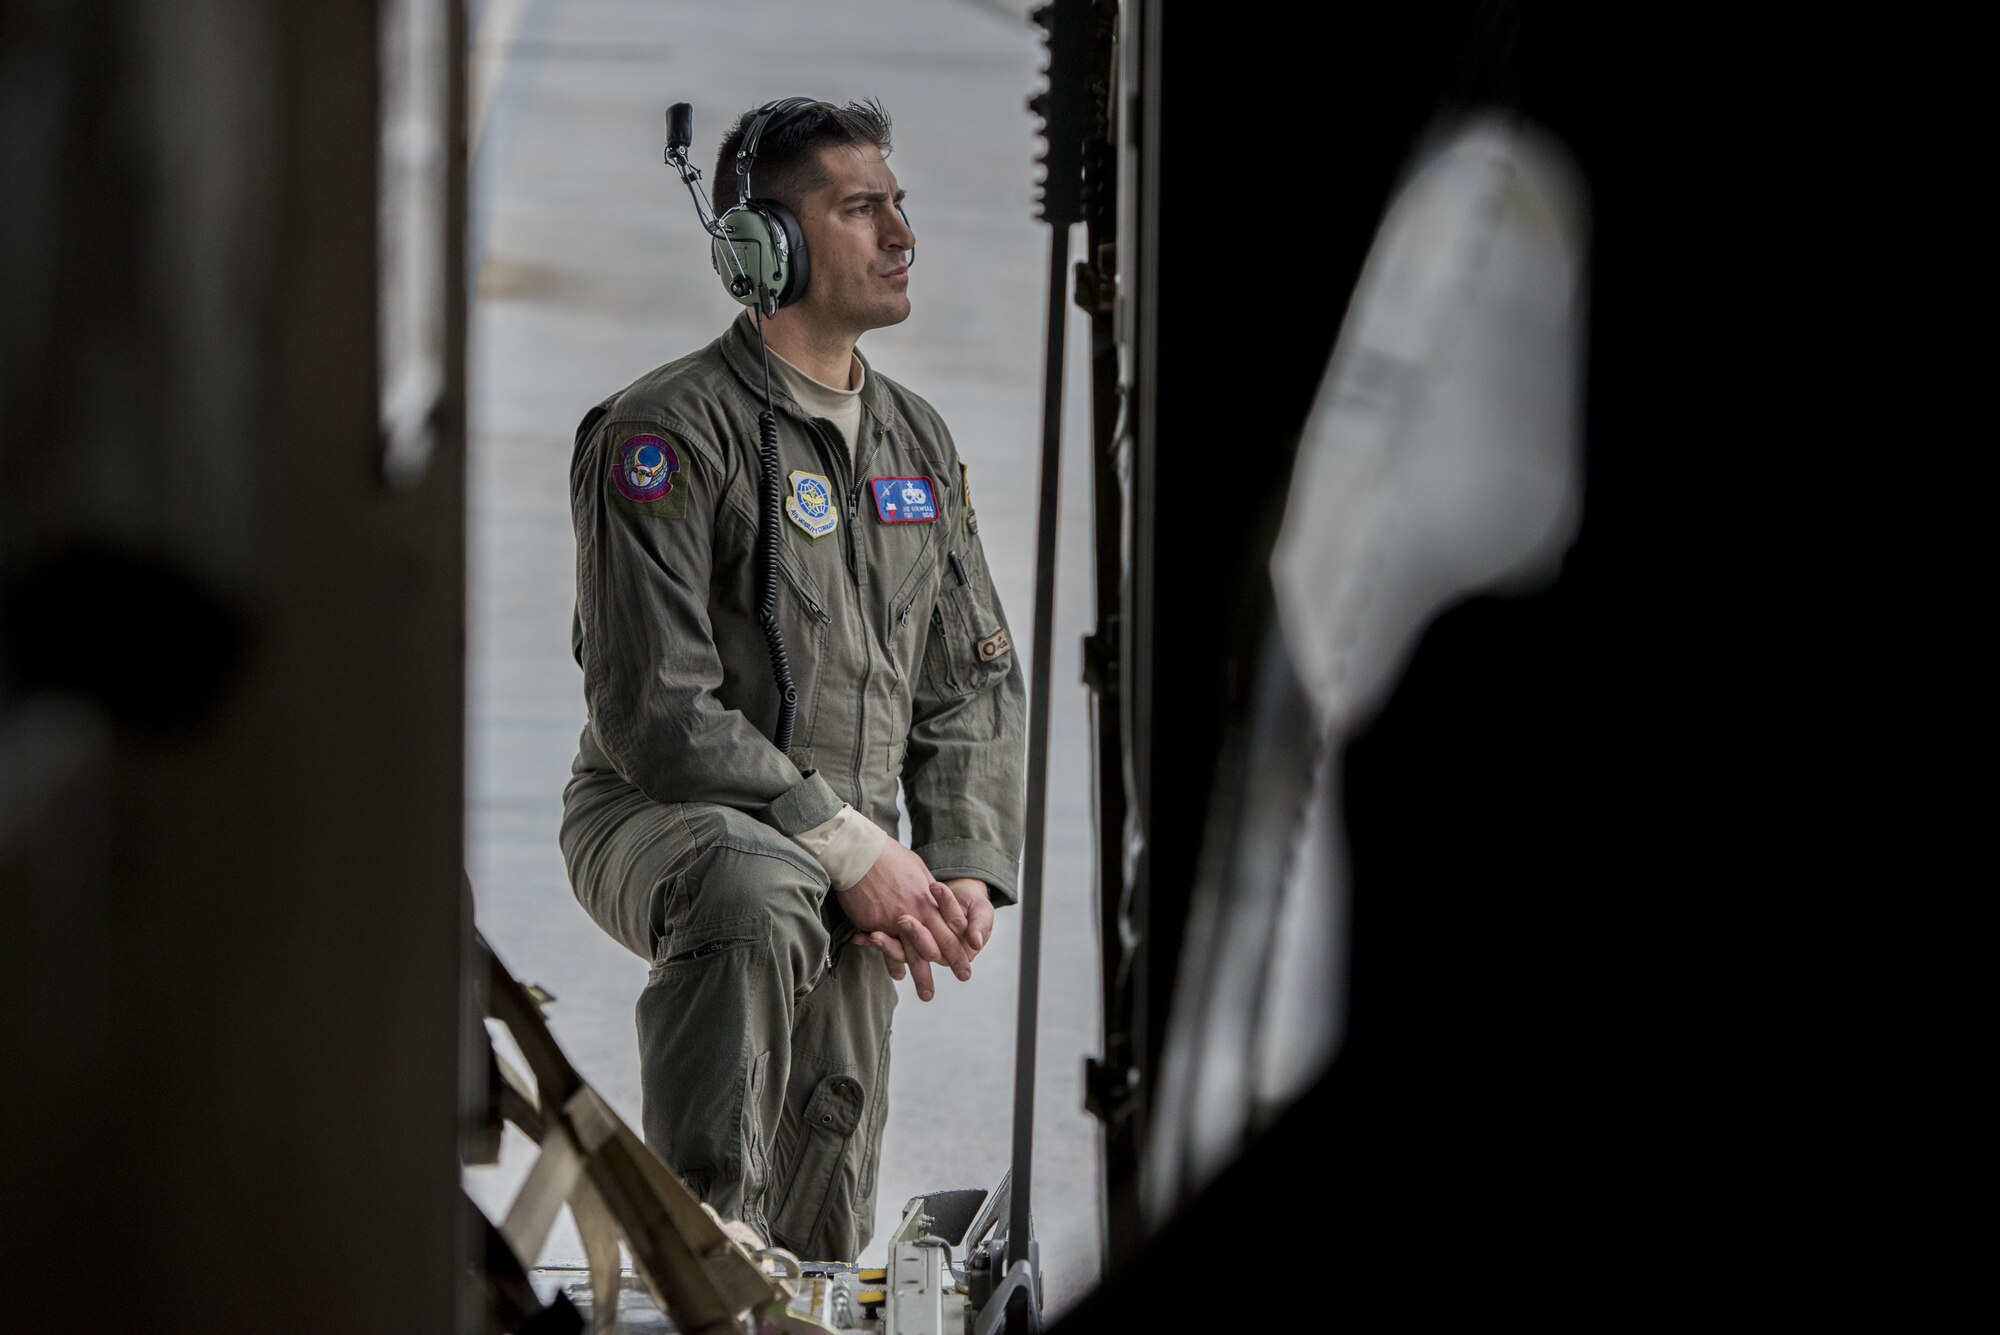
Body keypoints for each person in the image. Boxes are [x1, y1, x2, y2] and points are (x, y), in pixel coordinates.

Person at [558, 98, 1026, 1263]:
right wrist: (859, 850)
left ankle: (798, 1278)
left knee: (827, 1176)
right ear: (760, 247)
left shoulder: (915, 441)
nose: (900, 233)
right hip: (658, 813)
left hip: (846, 844)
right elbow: (655, 710)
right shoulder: (664, 433)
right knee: (759, 885)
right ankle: (705, 1250)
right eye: (860, 208)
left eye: (897, 203)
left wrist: (957, 862)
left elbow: (972, 678)